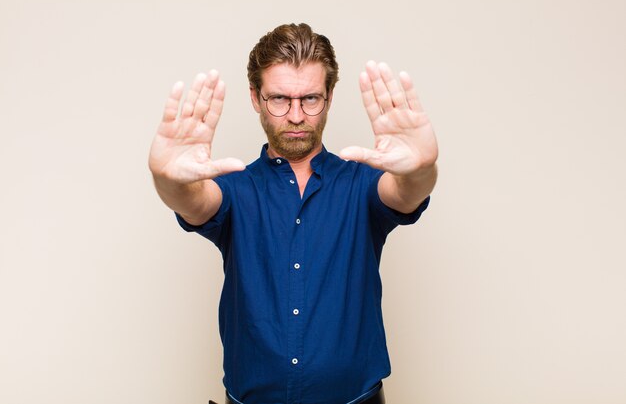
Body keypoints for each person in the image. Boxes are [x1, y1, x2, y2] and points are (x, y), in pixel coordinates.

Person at [149, 23, 438, 404]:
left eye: (311, 99)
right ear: (255, 97)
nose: (297, 115)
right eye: (280, 99)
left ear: (330, 96)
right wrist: (165, 177)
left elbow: (405, 191)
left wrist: (421, 169)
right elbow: (192, 201)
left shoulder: (361, 183)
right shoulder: (235, 189)